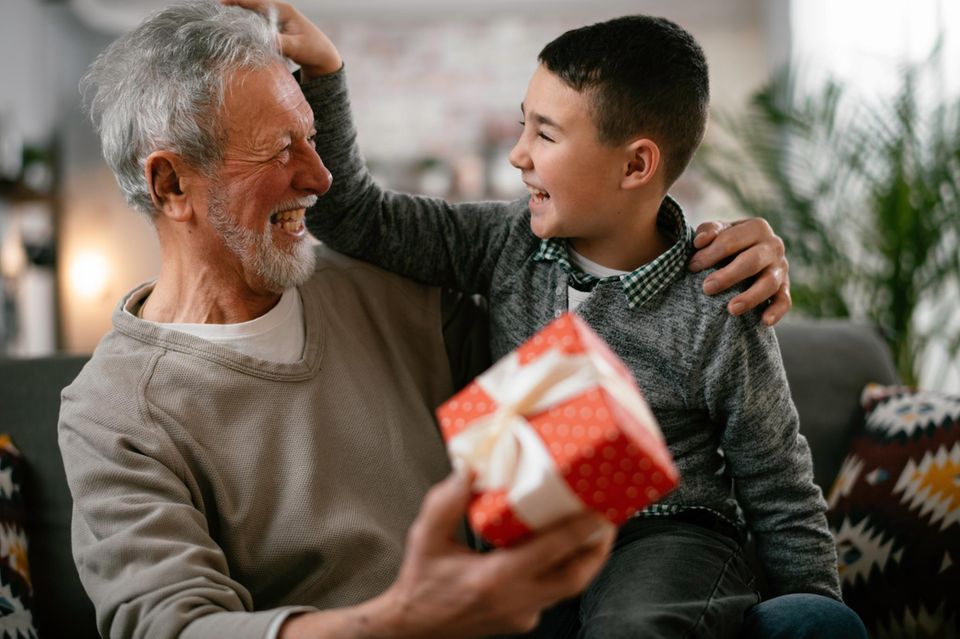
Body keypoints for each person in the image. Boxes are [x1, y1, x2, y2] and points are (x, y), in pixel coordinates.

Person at [59, 2, 799, 638]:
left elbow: (600, 372)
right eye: (282, 149)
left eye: (311, 138)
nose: (319, 177)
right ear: (170, 183)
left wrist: (691, 257)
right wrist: (402, 619)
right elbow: (175, 627)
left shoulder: (392, 292)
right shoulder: (112, 412)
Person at [252, 3, 868, 638]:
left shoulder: (719, 299)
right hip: (535, 538)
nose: (518, 154)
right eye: (525, 125)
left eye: (545, 136)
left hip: (664, 533)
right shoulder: (506, 241)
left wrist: (816, 613)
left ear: (636, 166)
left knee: (638, 625)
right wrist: (325, 72)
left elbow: (777, 484)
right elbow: (358, 218)